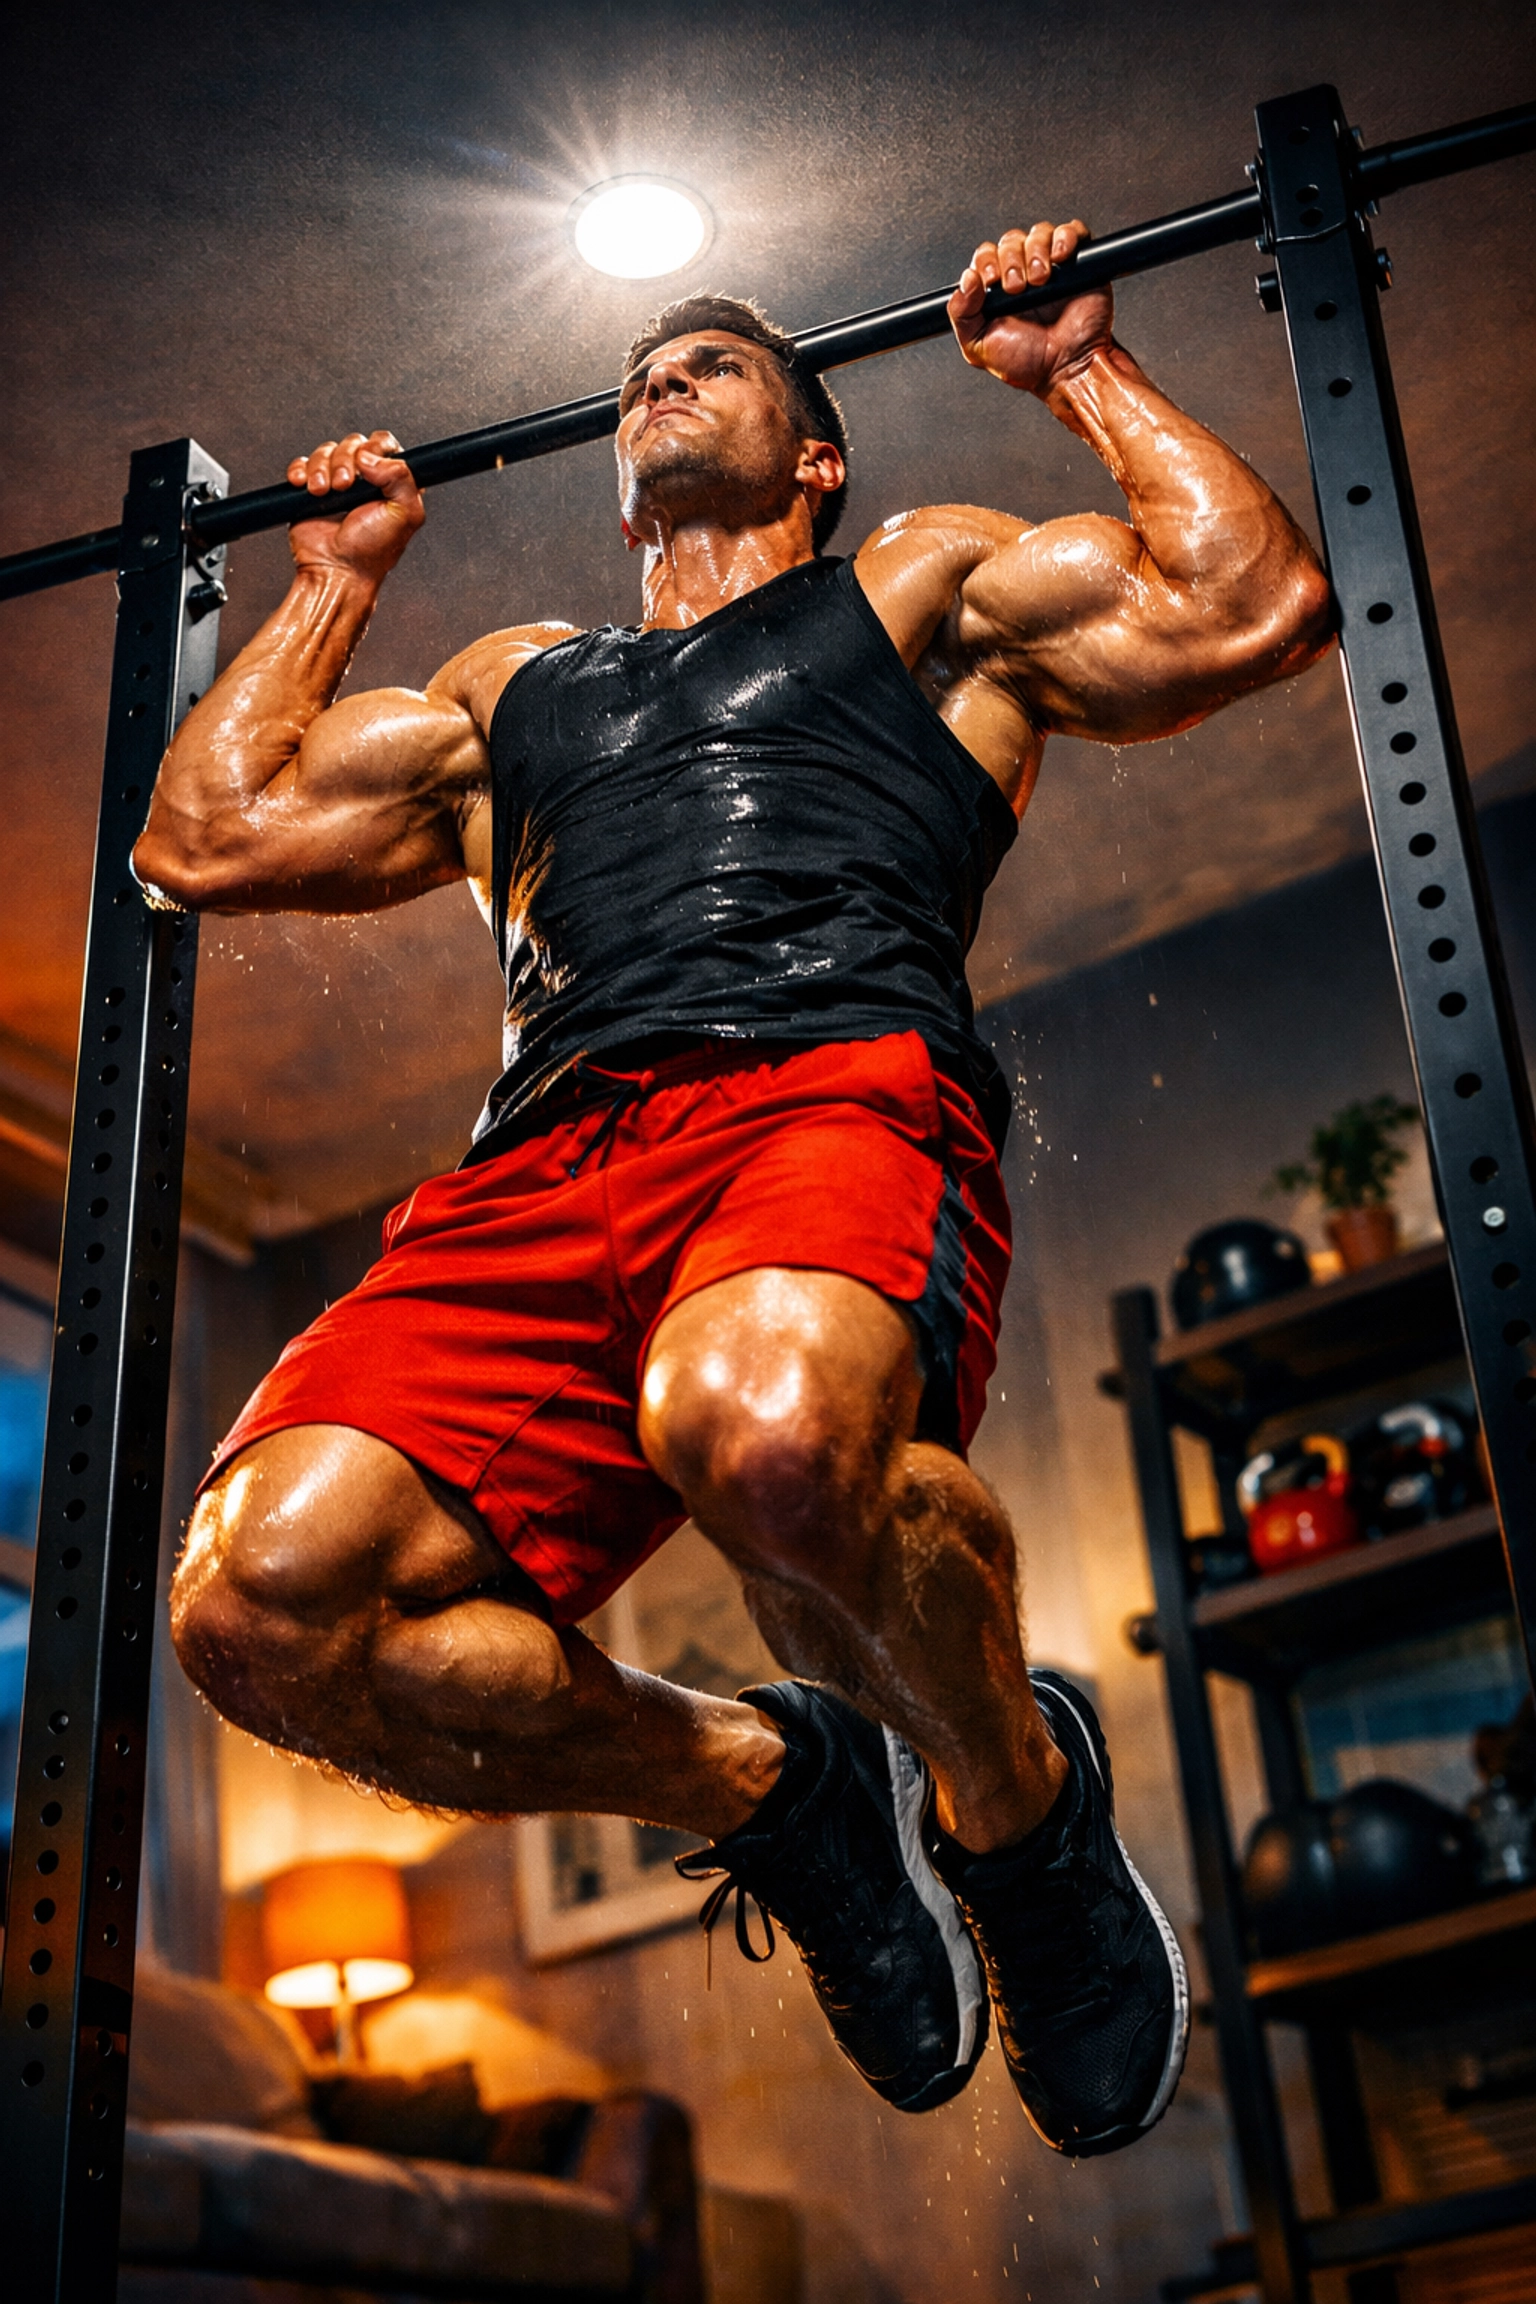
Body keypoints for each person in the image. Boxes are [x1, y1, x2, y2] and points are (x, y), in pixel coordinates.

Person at [136, 219, 1332, 2157]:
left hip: (819, 1090)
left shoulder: (920, 584)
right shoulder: (515, 690)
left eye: (718, 359)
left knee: (760, 1444)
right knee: (260, 1617)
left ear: (817, 453)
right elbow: (201, 841)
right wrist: (337, 582)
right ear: (616, 485)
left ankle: (1019, 1824)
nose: (663, 374)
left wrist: (1070, 374)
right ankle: (770, 1790)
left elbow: (1248, 605)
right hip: (537, 1168)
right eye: (645, 371)